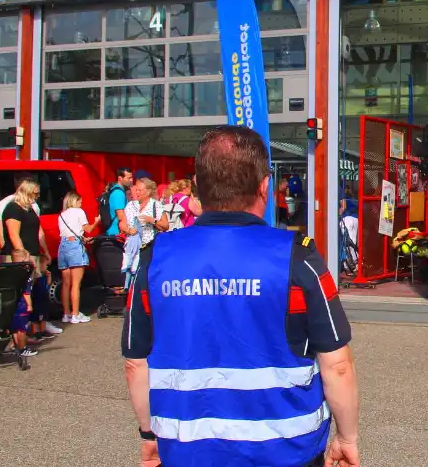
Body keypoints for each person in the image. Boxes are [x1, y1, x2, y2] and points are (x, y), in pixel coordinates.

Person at [122, 126, 360, 467]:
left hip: (189, 451)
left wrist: (149, 436)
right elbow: (337, 365)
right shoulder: (298, 257)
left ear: (198, 187)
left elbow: (136, 363)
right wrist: (347, 437)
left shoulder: (155, 258)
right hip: (286, 451)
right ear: (264, 187)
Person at [1, 179, 57, 354]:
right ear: (26, 192)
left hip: (32, 254)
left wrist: (44, 251)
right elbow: (13, 235)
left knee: (32, 293)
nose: (37, 197)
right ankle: (14, 340)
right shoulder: (13, 209)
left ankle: (25, 334)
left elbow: (38, 231)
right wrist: (24, 257)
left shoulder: (29, 208)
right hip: (18, 256)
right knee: (19, 297)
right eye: (35, 193)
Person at [58, 191, 98, 324]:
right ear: (75, 201)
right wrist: (96, 222)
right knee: (76, 284)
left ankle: (66, 313)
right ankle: (76, 314)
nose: (81, 204)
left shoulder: (62, 215)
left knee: (65, 283)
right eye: (80, 201)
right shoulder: (79, 212)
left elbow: (69, 232)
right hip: (75, 246)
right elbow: (89, 229)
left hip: (63, 245)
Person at [105, 168, 135, 236]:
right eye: (129, 178)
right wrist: (129, 231)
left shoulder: (118, 191)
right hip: (116, 233)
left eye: (131, 177)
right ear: (120, 178)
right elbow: (120, 216)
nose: (131, 180)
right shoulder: (118, 193)